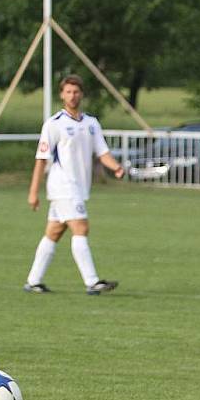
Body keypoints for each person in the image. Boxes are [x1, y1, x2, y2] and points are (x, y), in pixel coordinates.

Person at [23, 74, 124, 295]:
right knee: (81, 227)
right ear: (62, 95)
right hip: (62, 186)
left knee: (54, 232)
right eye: (68, 92)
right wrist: (33, 192)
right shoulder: (54, 124)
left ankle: (33, 281)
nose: (72, 96)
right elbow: (41, 160)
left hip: (79, 187)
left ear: (82, 94)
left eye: (76, 92)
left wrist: (115, 167)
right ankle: (92, 282)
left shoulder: (91, 123)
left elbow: (102, 152)